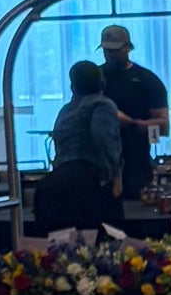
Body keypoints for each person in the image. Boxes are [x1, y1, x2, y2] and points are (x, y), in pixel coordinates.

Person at [39, 59, 123, 228]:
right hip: (88, 182)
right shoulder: (103, 105)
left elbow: (58, 143)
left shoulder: (65, 110)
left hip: (56, 180)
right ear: (102, 82)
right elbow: (103, 138)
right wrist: (113, 173)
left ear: (73, 87)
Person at [99, 23, 170, 200]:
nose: (110, 54)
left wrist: (131, 123)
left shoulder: (147, 80)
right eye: (107, 50)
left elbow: (163, 125)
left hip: (135, 160)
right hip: (101, 163)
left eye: (115, 50)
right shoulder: (96, 78)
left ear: (128, 48)